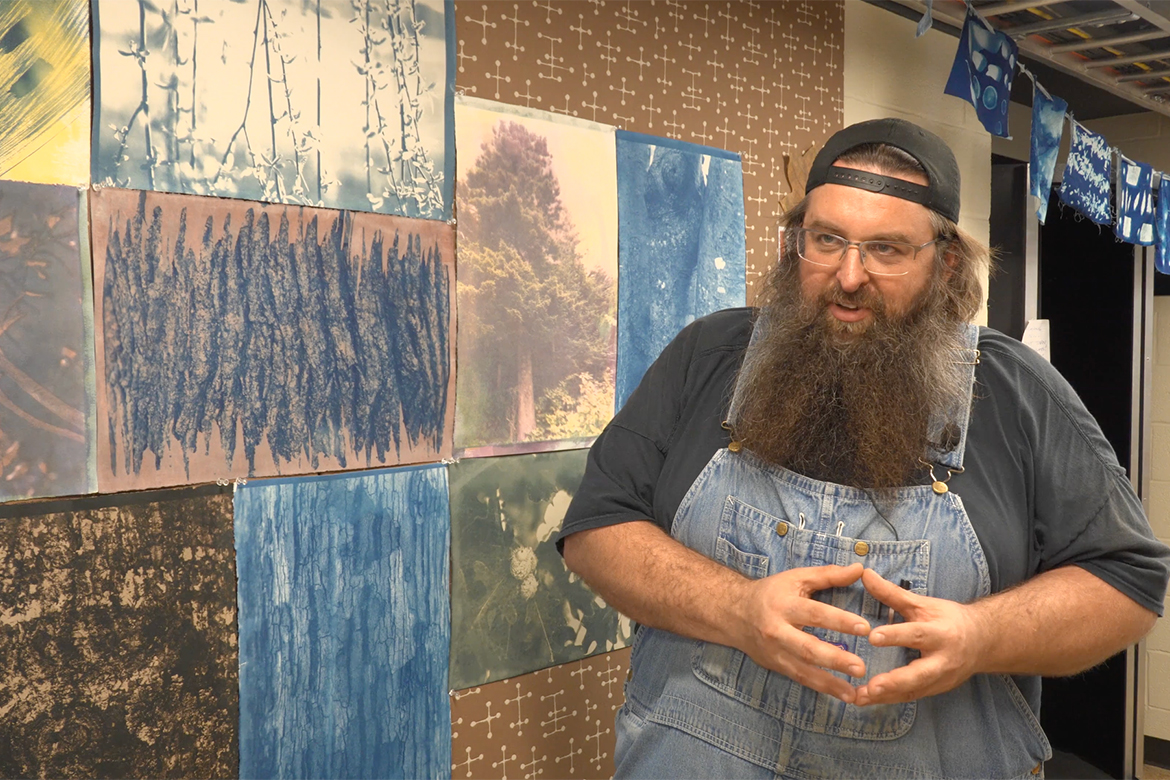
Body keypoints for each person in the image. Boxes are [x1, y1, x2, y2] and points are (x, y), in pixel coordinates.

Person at [557, 117, 1170, 779]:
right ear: (797, 241)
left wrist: (979, 636)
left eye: (886, 250)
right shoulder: (709, 357)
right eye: (826, 240)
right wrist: (737, 610)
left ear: (946, 261)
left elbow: (1125, 582)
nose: (848, 276)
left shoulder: (1018, 394)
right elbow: (597, 527)